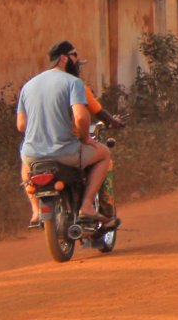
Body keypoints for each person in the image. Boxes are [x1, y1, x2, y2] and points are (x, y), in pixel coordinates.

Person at [17, 40, 112, 228]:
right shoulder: (73, 83)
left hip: (33, 155)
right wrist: (85, 138)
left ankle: (36, 211)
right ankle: (86, 206)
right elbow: (82, 119)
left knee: (25, 159)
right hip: (65, 153)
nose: (77, 61)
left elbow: (21, 125)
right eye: (74, 56)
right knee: (104, 155)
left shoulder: (28, 86)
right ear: (63, 58)